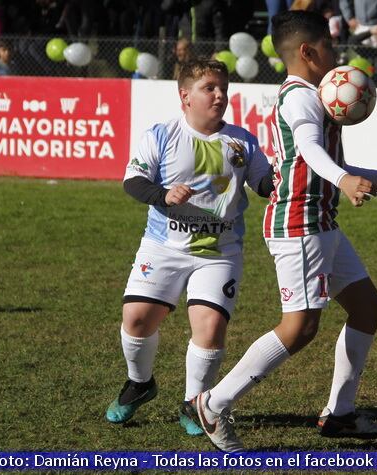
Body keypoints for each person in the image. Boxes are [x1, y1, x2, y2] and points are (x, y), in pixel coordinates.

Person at [192, 10, 377, 453]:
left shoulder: (315, 94)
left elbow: (333, 166)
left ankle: (340, 414)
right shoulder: (300, 98)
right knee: (300, 328)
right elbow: (310, 151)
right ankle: (213, 403)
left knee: (368, 308)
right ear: (307, 52)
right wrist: (342, 181)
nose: (337, 56)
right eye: (329, 47)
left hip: (320, 222)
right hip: (299, 223)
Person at [105, 58, 274, 436]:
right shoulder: (162, 134)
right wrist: (164, 194)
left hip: (220, 252)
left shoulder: (242, 141)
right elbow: (133, 181)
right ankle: (140, 383)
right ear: (185, 96)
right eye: (209, 88)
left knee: (210, 326)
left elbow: (264, 183)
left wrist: (280, 183)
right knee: (136, 319)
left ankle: (195, 403)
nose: (219, 95)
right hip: (163, 246)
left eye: (223, 89)